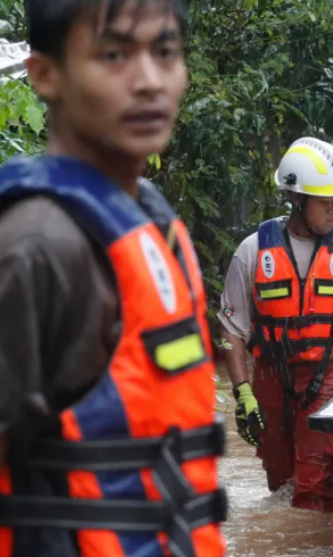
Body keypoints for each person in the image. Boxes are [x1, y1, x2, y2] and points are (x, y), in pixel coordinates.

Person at [0, 1, 227, 555]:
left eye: (165, 53)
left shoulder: (151, 222)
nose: (149, 81)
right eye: (114, 54)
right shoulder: (33, 248)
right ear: (46, 74)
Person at [217, 137, 333, 512]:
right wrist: (242, 392)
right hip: (272, 377)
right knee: (278, 478)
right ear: (296, 199)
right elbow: (230, 332)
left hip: (330, 376)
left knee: (313, 482)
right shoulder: (252, 251)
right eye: (326, 202)